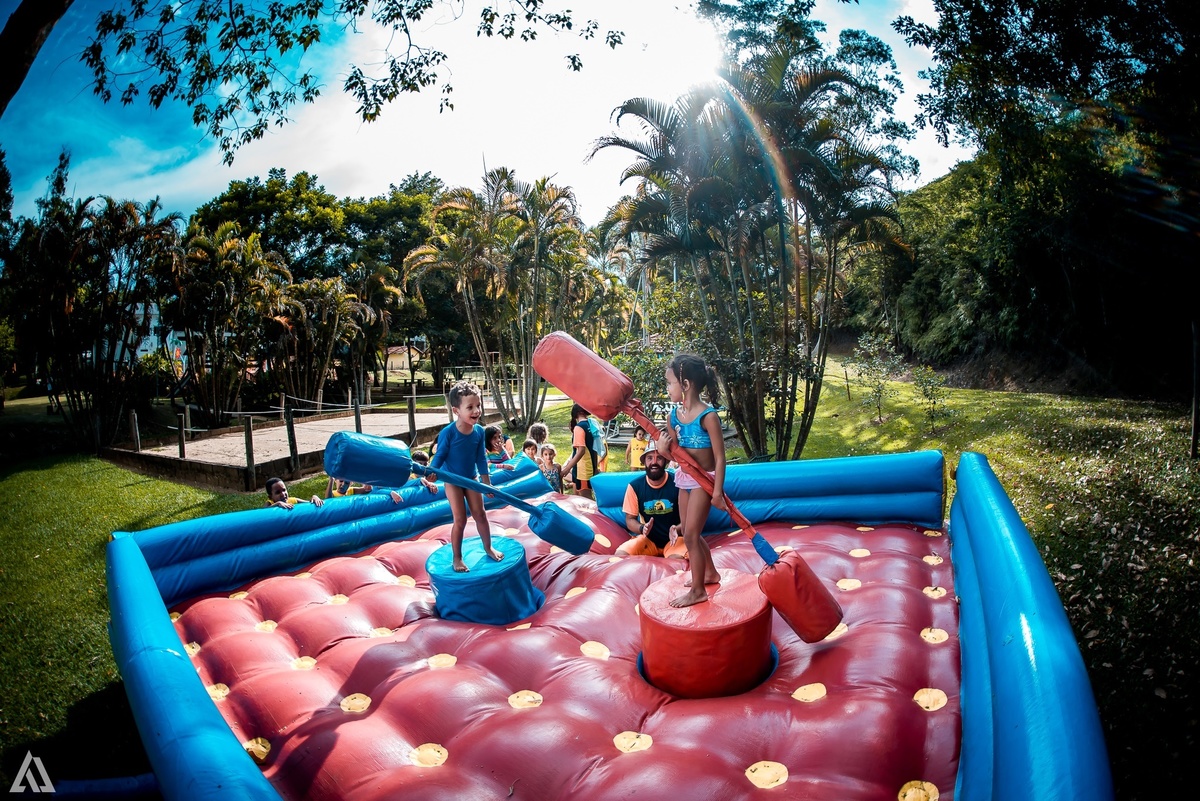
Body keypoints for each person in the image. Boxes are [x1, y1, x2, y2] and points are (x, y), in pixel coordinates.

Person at [659, 353, 727, 607]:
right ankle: (709, 573)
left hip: (704, 481)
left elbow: (720, 458)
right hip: (684, 479)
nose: (667, 389)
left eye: (669, 383)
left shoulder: (708, 416)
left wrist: (717, 492)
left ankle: (698, 590)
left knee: (690, 535)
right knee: (692, 534)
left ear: (685, 385)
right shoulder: (673, 417)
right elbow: (675, 454)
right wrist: (664, 449)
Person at [422, 381, 504, 572]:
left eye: (478, 405)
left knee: (481, 514)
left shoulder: (478, 432)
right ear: (456, 410)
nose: (476, 410)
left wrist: (487, 483)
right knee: (460, 519)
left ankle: (488, 547)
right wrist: (433, 471)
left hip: (471, 478)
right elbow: (440, 455)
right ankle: (457, 558)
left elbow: (481, 458)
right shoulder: (448, 433)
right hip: (452, 480)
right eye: (470, 407)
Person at [616, 440, 685, 559]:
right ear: (644, 462)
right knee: (620, 555)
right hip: (648, 541)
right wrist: (642, 528)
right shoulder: (634, 486)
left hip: (675, 539)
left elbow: (690, 520)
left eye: (659, 458)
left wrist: (677, 529)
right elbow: (630, 520)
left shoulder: (678, 484)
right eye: (649, 458)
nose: (654, 462)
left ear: (665, 461)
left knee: (675, 562)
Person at [561, 403, 602, 499]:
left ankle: (595, 514)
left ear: (576, 414)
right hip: (589, 467)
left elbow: (581, 451)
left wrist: (567, 469)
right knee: (578, 497)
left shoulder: (579, 428)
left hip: (582, 470)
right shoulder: (591, 424)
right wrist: (595, 467)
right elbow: (595, 448)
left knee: (586, 499)